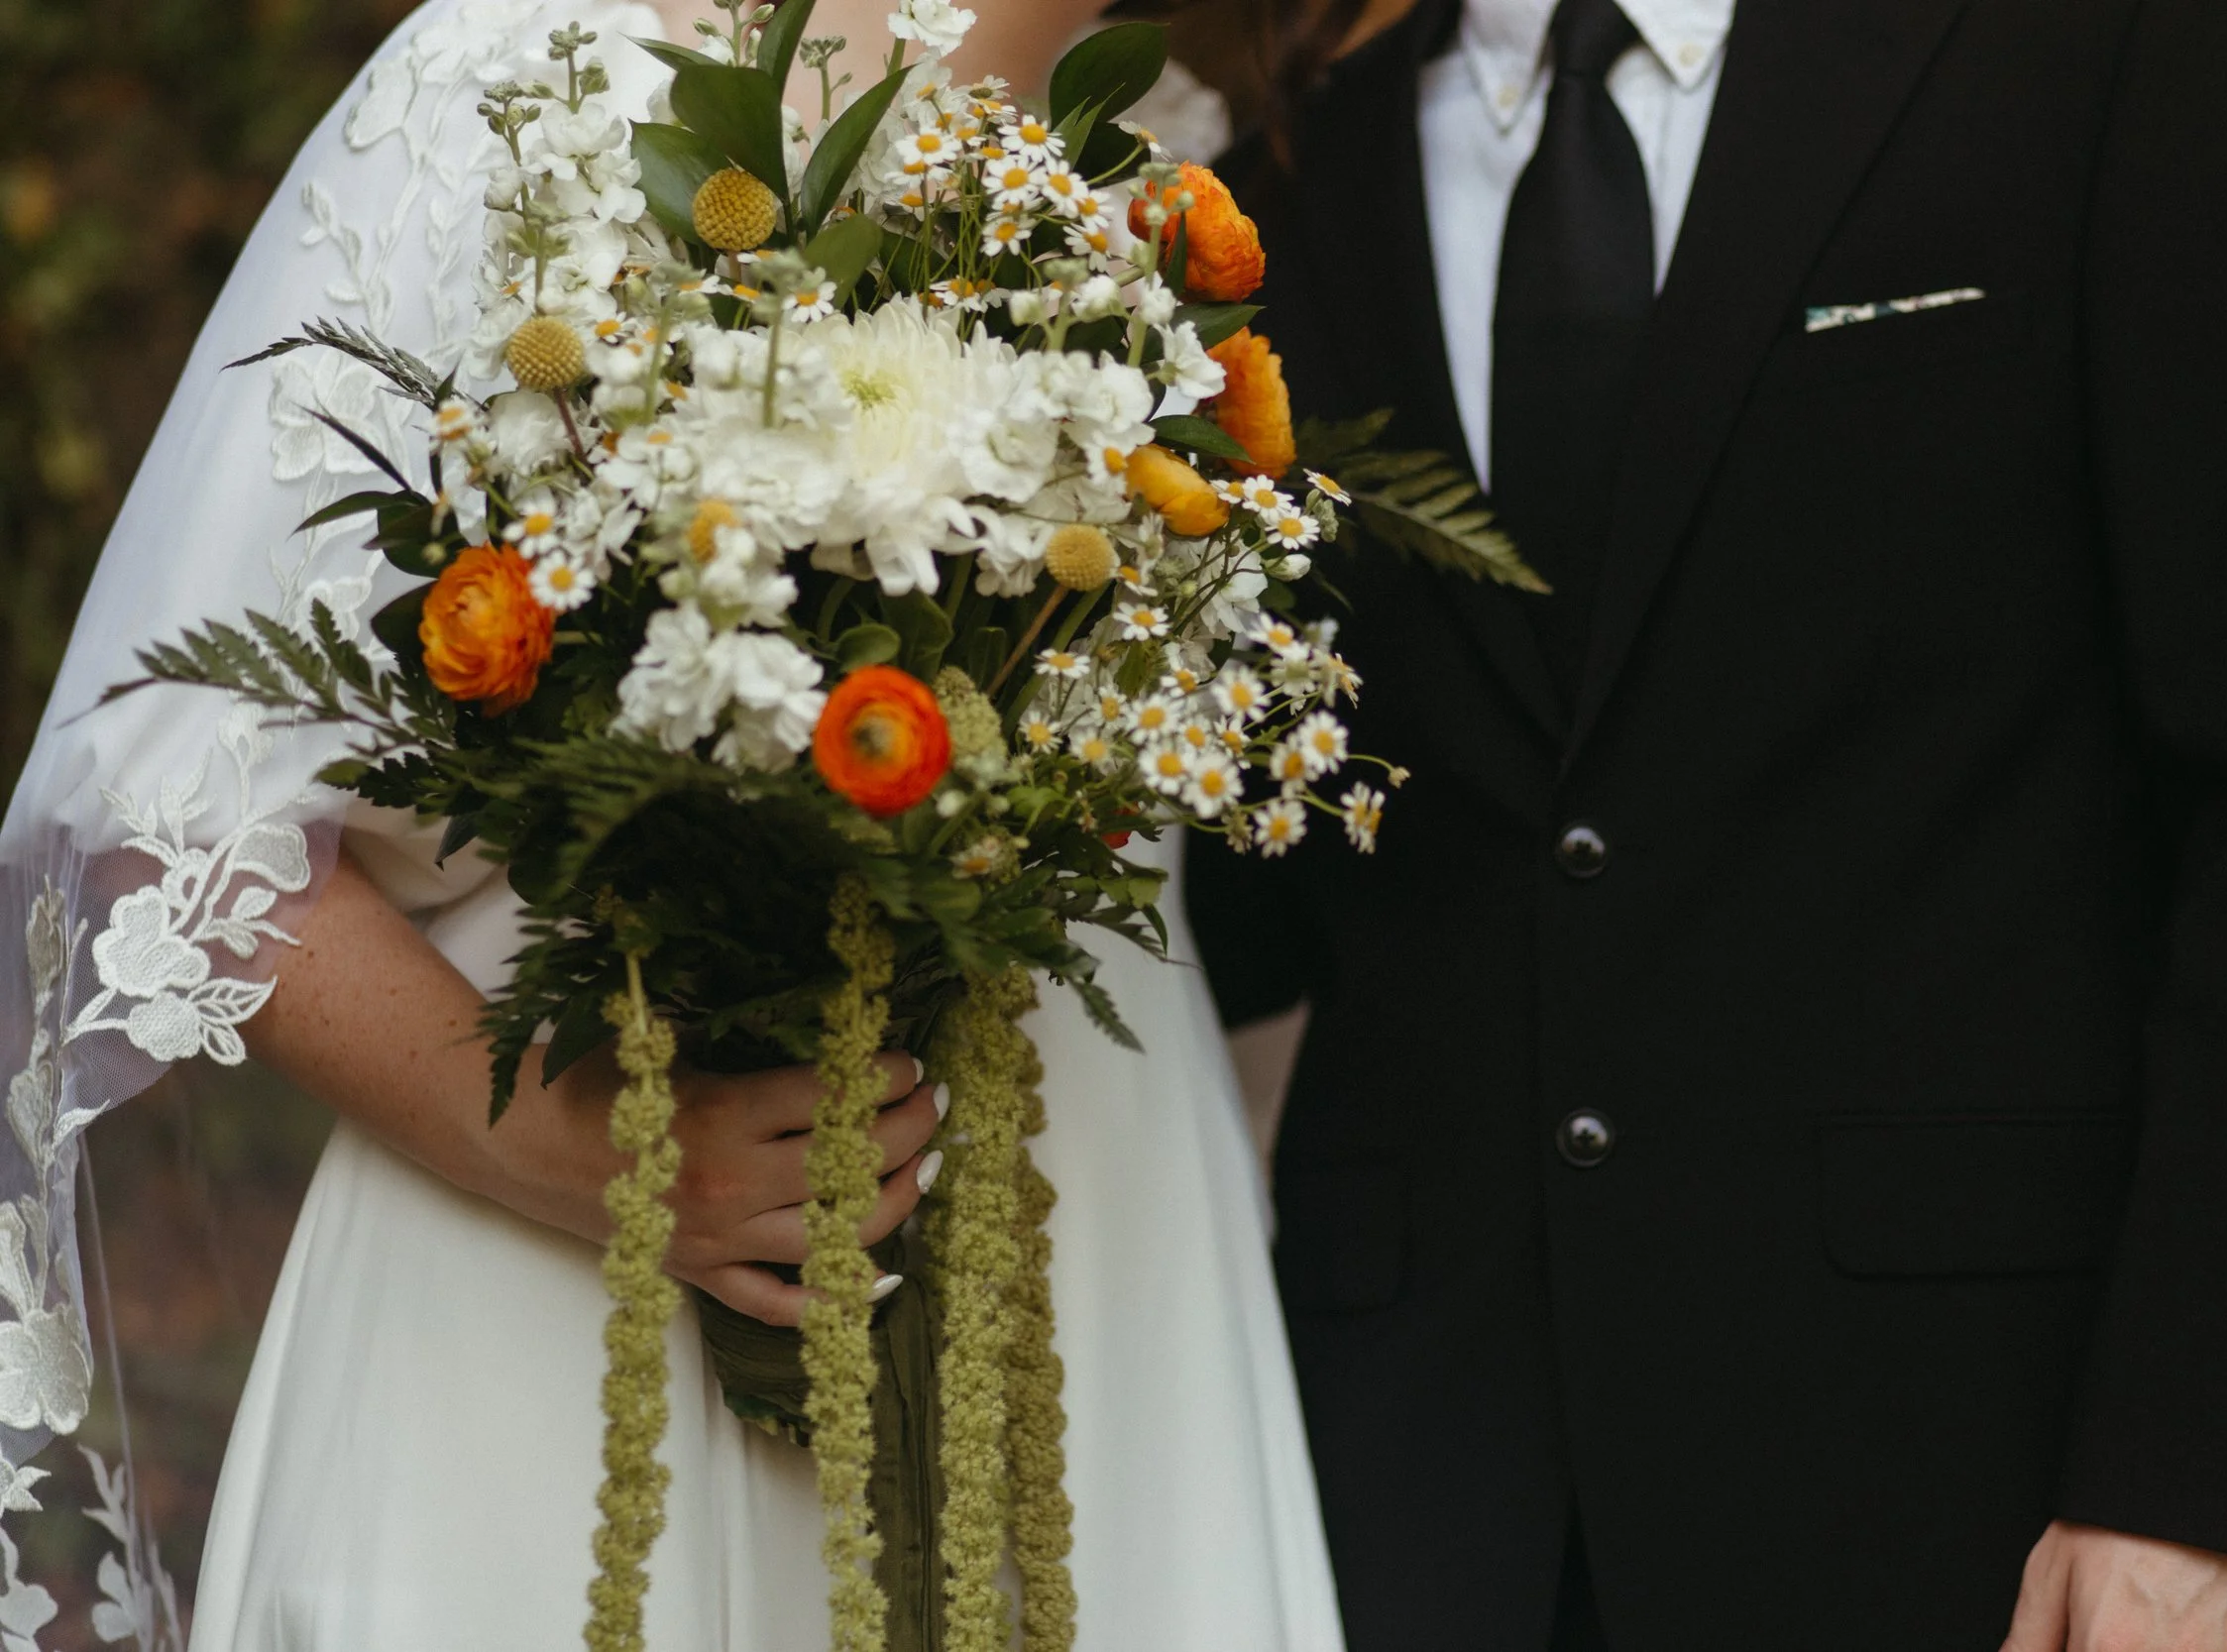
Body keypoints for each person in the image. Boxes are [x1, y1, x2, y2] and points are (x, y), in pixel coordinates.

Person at [0, 2, 1344, 1647]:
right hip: (561, 1293)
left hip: (1094, 1292)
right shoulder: (516, 75)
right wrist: (583, 1151)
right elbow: (163, 808)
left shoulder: (1170, 149)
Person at [1185, 0, 2227, 1648]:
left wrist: (2213, 1477)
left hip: (1987, 1495)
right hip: (1403, 1498)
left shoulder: (2130, 38)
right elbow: (1240, 878)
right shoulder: (1272, 176)